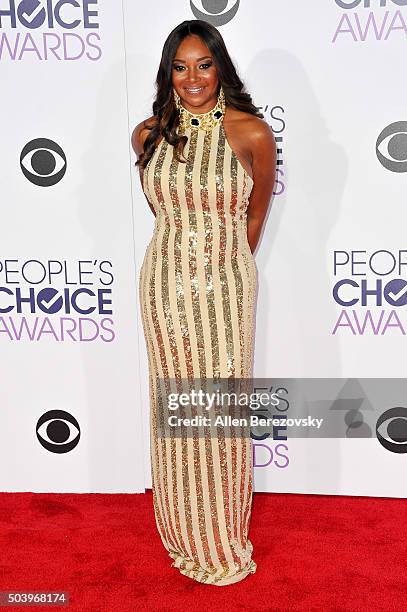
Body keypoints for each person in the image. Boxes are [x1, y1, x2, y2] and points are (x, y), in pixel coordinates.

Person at [131, 19, 276, 586]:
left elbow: (256, 213)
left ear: (222, 67)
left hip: (226, 290)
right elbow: (166, 212)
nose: (192, 78)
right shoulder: (147, 133)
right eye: (180, 66)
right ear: (168, 71)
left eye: (204, 64)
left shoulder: (251, 133)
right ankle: (180, 528)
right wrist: (184, 260)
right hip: (164, 287)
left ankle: (220, 537)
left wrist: (223, 270)